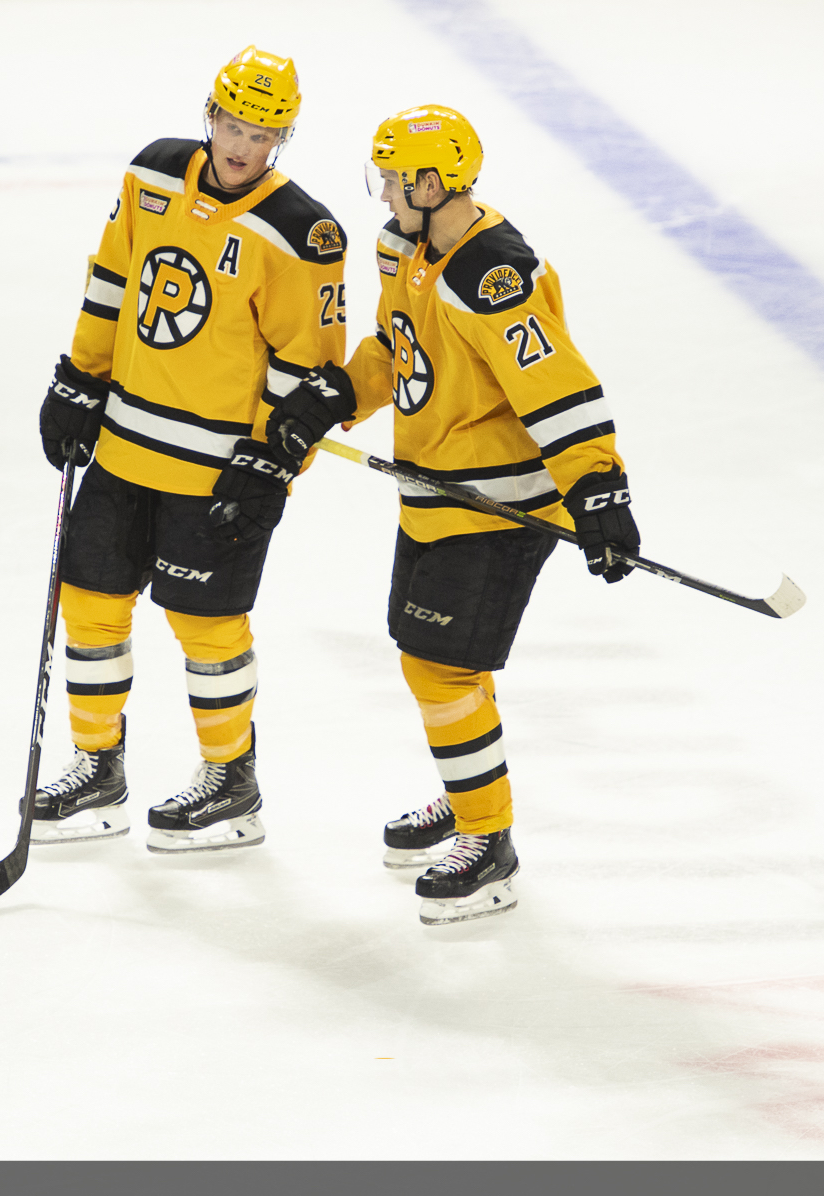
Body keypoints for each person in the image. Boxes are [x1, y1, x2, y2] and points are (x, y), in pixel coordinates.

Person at [278, 105, 640, 923]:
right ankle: (468, 785)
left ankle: (489, 841)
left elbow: (556, 387)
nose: (384, 196)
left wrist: (599, 488)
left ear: (433, 183)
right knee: (436, 658)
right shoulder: (403, 245)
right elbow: (393, 347)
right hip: (433, 491)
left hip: (498, 505)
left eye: (395, 181)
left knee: (436, 666)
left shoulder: (491, 274)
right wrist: (340, 394)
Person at [29, 46, 348, 854]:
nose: (244, 145)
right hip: (126, 444)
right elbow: (112, 278)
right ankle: (97, 768)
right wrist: (78, 378)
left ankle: (231, 784)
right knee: (90, 601)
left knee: (207, 624)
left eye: (265, 132)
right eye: (235, 124)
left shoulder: (302, 233)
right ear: (210, 114)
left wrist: (274, 463)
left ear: (284, 136)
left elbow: (305, 369)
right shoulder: (152, 175)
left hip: (216, 470)